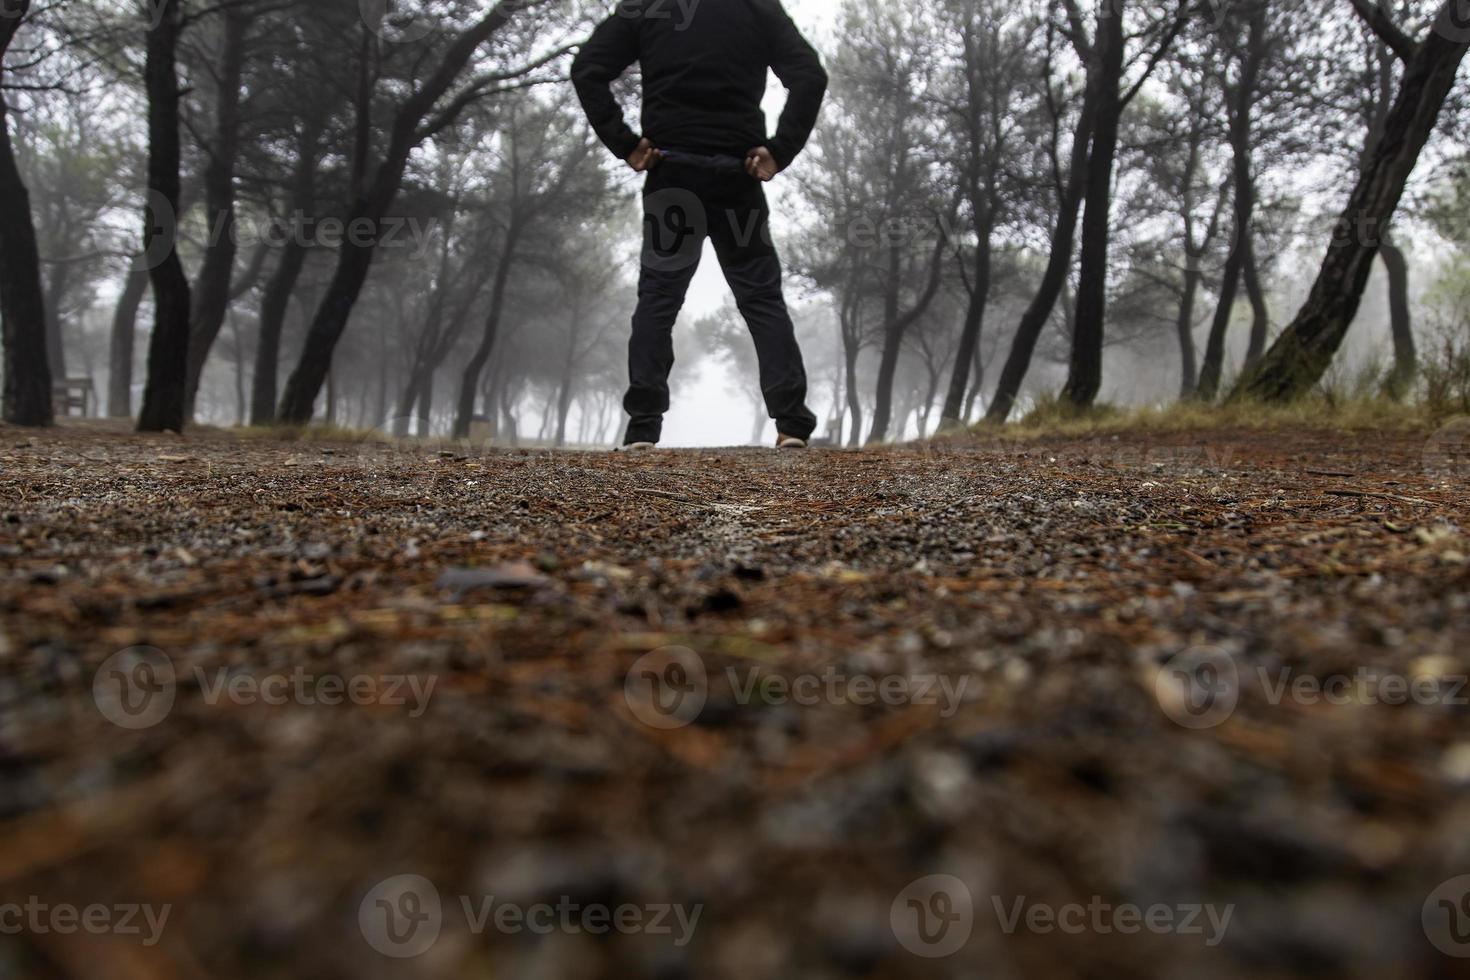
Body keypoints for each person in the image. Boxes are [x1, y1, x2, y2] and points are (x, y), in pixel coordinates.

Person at [571, 0, 828, 450]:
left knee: (659, 296)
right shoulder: (756, 7)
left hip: (673, 178)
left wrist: (626, 144)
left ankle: (643, 429)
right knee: (760, 296)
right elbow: (809, 75)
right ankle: (791, 425)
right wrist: (779, 150)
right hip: (737, 179)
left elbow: (588, 68)